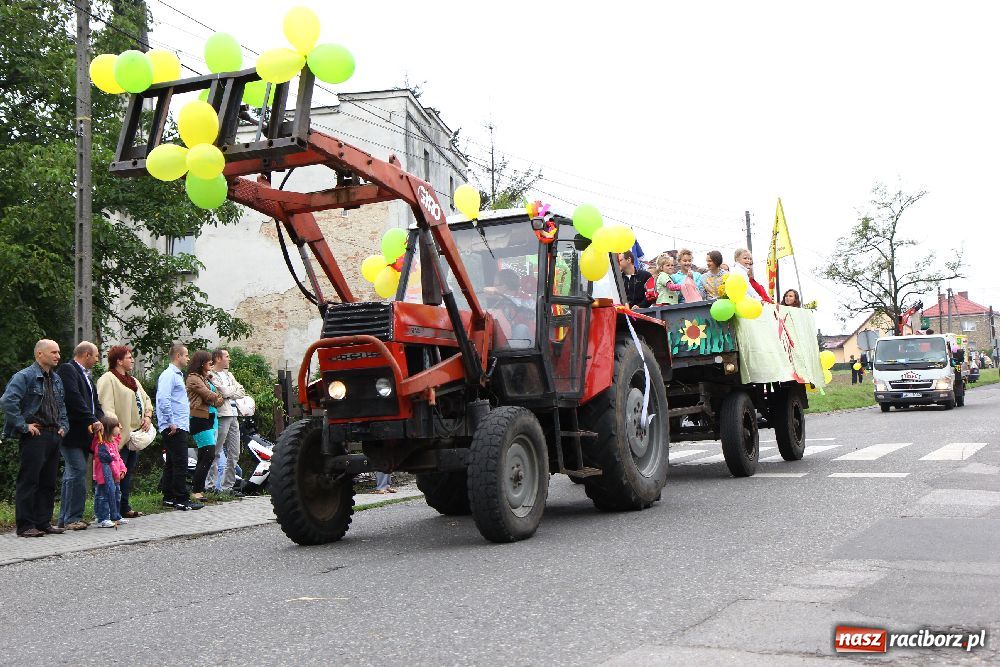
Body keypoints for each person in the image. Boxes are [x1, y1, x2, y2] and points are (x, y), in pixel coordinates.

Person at [1, 339, 70, 537]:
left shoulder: (55, 378)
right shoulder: (25, 376)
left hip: (53, 433)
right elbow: (8, 400)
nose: (58, 356)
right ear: (40, 354)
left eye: (58, 352)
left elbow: (61, 405)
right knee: (29, 480)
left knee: (48, 481)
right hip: (35, 435)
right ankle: (25, 526)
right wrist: (23, 426)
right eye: (53, 352)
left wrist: (64, 426)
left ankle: (43, 522)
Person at [96, 345, 154, 519]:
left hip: (134, 433)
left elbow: (146, 399)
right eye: (128, 357)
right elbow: (106, 406)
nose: (132, 360)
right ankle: (109, 511)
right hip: (118, 435)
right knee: (114, 473)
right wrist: (116, 427)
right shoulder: (108, 379)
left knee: (126, 472)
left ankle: (124, 507)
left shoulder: (133, 380)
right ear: (119, 361)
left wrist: (148, 416)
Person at [56, 341, 104, 531]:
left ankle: (64, 518)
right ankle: (71, 517)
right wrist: (92, 419)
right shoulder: (68, 370)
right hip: (72, 433)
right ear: (86, 355)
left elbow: (95, 402)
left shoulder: (86, 376)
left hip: (85, 435)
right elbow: (74, 398)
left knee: (73, 472)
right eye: (96, 355)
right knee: (76, 471)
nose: (97, 359)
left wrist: (101, 418)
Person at [156, 343, 204, 511]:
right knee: (181, 462)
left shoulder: (176, 375)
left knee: (171, 462)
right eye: (186, 355)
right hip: (174, 425)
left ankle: (168, 496)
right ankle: (181, 498)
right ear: (178, 356)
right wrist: (171, 421)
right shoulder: (169, 375)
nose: (188, 358)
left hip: (178, 424)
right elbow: (163, 399)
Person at [206, 349, 247, 496]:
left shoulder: (229, 374)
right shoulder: (210, 374)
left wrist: (230, 391)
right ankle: (210, 486)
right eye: (227, 357)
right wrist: (231, 391)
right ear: (218, 358)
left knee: (234, 452)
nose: (229, 359)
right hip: (222, 415)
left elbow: (241, 391)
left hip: (234, 414)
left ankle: (227, 487)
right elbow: (222, 391)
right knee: (216, 450)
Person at [186, 350, 225, 501]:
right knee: (208, 453)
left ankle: (198, 489)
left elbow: (216, 397)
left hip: (211, 418)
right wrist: (216, 398)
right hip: (199, 419)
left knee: (206, 454)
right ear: (202, 362)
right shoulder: (193, 378)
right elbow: (210, 396)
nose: (211, 363)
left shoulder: (206, 378)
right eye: (209, 361)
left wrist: (216, 398)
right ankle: (196, 490)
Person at [91, 415, 127, 528]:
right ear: (109, 428)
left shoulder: (114, 443)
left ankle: (115, 515)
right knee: (104, 496)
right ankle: (103, 518)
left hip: (115, 476)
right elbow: (107, 461)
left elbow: (118, 458)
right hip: (104, 477)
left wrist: (122, 469)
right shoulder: (100, 444)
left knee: (116, 495)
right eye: (117, 426)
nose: (120, 428)